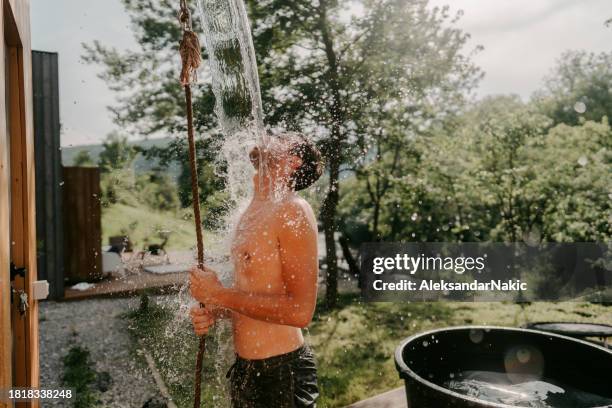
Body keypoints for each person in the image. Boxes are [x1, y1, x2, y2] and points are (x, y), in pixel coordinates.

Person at [189, 132, 323, 407]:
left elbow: (300, 312)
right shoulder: (250, 210)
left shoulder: (292, 210)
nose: (270, 135)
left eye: (282, 137)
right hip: (245, 371)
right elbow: (255, 297)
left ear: (294, 161)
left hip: (281, 374)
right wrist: (216, 310)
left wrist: (219, 295)